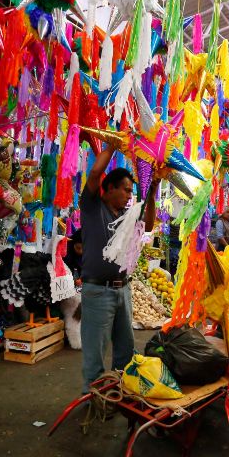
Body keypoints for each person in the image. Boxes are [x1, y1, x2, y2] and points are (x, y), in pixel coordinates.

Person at [79, 145, 156, 393]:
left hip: (123, 288)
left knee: (125, 347)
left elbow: (148, 225)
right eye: (125, 190)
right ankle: (93, 396)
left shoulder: (126, 214)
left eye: (131, 192)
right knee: (96, 350)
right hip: (98, 291)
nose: (128, 195)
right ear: (109, 188)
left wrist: (152, 191)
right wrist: (113, 145)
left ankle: (122, 389)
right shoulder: (92, 207)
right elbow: (94, 174)